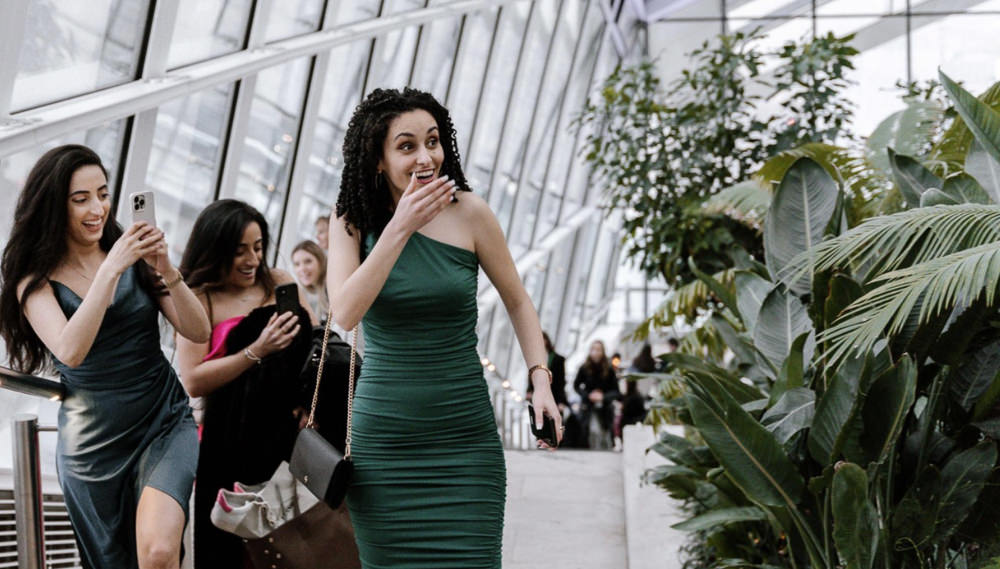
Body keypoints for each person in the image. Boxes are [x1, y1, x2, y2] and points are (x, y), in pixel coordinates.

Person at [327, 87, 562, 568]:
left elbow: (517, 300)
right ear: (377, 159)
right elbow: (344, 314)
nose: (425, 156)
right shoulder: (352, 222)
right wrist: (399, 228)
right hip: (385, 446)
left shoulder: (470, 212)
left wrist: (541, 379)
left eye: (432, 141)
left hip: (464, 441)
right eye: (407, 145)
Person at [0, 144, 211, 569]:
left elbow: (198, 330)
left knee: (158, 552)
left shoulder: (130, 253)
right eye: (81, 199)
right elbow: (70, 350)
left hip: (162, 419)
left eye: (103, 193)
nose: (97, 208)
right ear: (53, 206)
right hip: (92, 445)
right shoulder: (35, 281)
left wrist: (165, 268)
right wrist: (110, 270)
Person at [174, 199, 316, 569]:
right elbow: (192, 380)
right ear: (216, 249)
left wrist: (309, 400)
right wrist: (256, 350)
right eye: (240, 251)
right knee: (230, 552)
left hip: (287, 437)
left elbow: (318, 345)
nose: (253, 259)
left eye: (257, 247)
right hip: (228, 443)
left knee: (294, 547)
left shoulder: (281, 282)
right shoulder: (199, 300)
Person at [574, 340, 620, 450]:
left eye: (598, 349)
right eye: (593, 349)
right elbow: (576, 386)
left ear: (602, 351)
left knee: (605, 433)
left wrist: (603, 397)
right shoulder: (584, 368)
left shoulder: (609, 369)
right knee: (593, 431)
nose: (595, 352)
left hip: (605, 408)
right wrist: (588, 395)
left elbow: (616, 391)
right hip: (589, 407)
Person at [526, 331, 567, 407]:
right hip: (537, 392)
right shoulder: (533, 358)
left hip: (554, 394)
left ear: (547, 340)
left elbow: (561, 381)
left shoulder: (558, 359)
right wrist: (529, 391)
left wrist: (561, 401)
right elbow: (531, 375)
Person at [291, 239, 328, 319]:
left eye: (308, 261)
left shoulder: (330, 290)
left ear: (320, 261)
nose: (302, 269)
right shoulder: (308, 295)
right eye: (297, 264)